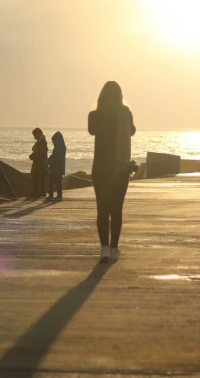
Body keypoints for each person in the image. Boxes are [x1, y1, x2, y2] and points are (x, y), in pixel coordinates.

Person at [89, 81, 136, 263]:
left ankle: (104, 248)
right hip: (120, 168)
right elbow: (132, 132)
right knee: (116, 209)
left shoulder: (94, 115)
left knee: (102, 209)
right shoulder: (125, 113)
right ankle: (114, 247)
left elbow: (92, 130)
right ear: (119, 96)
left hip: (100, 168)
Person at [29, 128, 48, 198]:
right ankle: (42, 193)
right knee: (41, 178)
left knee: (37, 178)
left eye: (34, 135)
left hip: (40, 163)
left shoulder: (42, 142)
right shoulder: (41, 141)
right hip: (40, 162)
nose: (34, 137)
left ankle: (37, 193)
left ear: (38, 134)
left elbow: (40, 154)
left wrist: (33, 156)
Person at [47, 131, 67, 200]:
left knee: (51, 182)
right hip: (60, 167)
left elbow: (54, 157)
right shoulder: (63, 147)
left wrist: (48, 161)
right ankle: (59, 195)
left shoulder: (57, 148)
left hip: (54, 167)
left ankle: (51, 195)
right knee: (58, 182)